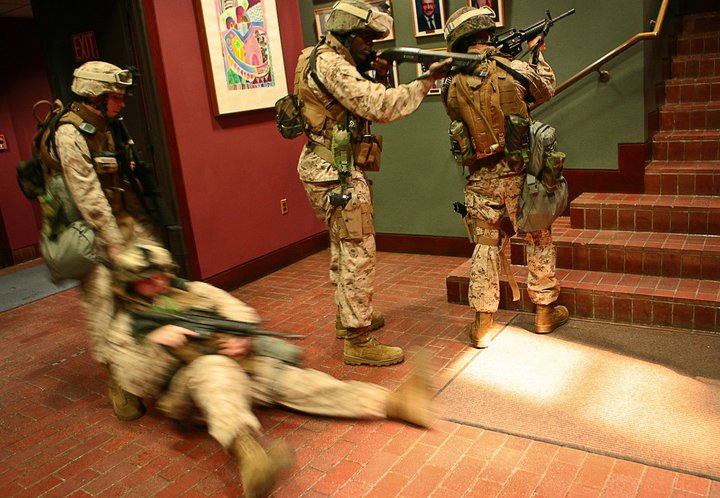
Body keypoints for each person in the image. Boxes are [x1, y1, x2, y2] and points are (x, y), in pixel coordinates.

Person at [105, 240, 435, 498]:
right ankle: (251, 457)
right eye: (147, 279)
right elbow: (134, 379)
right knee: (215, 369)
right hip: (190, 391)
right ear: (130, 285)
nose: (158, 282)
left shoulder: (191, 291)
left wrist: (241, 337)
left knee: (299, 382)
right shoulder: (127, 323)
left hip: (241, 366)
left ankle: (396, 403)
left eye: (161, 273)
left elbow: (236, 309)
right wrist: (156, 343)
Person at [294, 0, 450, 367]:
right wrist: (427, 80)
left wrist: (373, 72)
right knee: (358, 253)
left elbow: (344, 103)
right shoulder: (333, 65)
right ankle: (358, 339)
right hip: (336, 172)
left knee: (343, 247)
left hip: (325, 165)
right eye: (366, 38)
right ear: (347, 36)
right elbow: (380, 107)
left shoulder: (317, 56)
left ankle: (347, 318)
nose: (371, 45)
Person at [441, 7, 569, 348]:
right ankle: (544, 312)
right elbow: (546, 89)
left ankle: (483, 324)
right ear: (486, 33)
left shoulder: (450, 82)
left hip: (480, 176)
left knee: (485, 245)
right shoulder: (513, 68)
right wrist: (537, 53)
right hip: (519, 174)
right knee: (538, 236)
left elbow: (456, 115)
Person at [41, 61, 161, 420]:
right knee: (104, 305)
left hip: (120, 220)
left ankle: (153, 365)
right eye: (115, 96)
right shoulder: (69, 134)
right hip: (91, 233)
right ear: (95, 96)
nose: (121, 103)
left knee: (152, 284)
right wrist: (113, 244)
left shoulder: (108, 127)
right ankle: (118, 384)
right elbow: (88, 195)